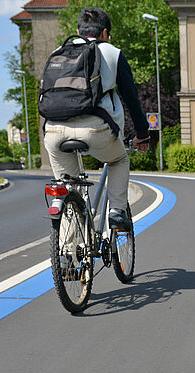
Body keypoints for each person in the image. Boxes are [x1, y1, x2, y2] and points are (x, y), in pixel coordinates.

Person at [42, 7, 150, 226]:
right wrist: (142, 135)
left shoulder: (57, 53)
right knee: (118, 160)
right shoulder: (112, 52)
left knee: (68, 187)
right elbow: (131, 99)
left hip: (53, 130)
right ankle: (117, 211)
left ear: (78, 31)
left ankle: (71, 251)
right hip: (95, 129)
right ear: (104, 33)